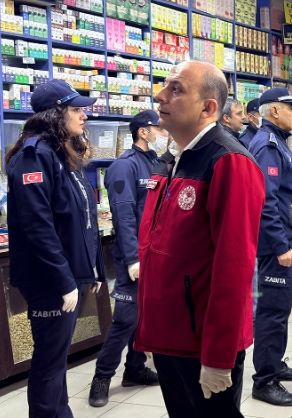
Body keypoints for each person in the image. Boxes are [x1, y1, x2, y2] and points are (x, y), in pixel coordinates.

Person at [134, 61, 265, 417]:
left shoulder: (229, 162)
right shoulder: (170, 159)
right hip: (170, 334)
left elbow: (234, 268)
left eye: (176, 89)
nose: (160, 95)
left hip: (202, 343)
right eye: (164, 86)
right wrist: (151, 329)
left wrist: (219, 356)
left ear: (208, 107)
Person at [5, 79, 105, 418]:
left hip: (68, 274)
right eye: (77, 110)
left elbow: (82, 218)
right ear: (55, 114)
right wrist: (64, 281)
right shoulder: (34, 155)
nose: (84, 117)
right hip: (49, 280)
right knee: (49, 360)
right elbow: (38, 226)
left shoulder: (65, 155)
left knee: (57, 357)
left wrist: (91, 269)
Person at [88, 111, 165, 407]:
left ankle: (134, 369)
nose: (163, 131)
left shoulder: (156, 162)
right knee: (125, 319)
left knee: (146, 318)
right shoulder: (124, 166)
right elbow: (123, 215)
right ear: (143, 132)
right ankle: (102, 377)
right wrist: (133, 258)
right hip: (133, 258)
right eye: (158, 128)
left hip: (156, 254)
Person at [248, 87, 292, 407]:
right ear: (273, 111)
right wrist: (280, 244)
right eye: (290, 109)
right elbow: (265, 202)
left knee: (280, 308)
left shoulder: (277, 142)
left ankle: (276, 364)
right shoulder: (267, 145)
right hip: (275, 247)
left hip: (282, 242)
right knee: (272, 311)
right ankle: (265, 380)